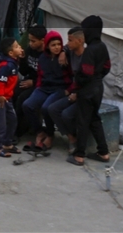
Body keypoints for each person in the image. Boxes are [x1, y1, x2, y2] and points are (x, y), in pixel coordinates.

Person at [68, 15, 111, 166]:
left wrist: (76, 87)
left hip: (87, 90)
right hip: (99, 87)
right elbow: (107, 67)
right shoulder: (103, 47)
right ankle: (103, 152)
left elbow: (86, 74)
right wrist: (98, 78)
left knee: (83, 122)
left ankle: (79, 155)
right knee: (94, 119)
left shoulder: (89, 51)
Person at [21, 30, 68, 153]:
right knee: (27, 105)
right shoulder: (43, 58)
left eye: (59, 44)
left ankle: (50, 135)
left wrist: (70, 89)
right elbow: (41, 75)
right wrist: (38, 87)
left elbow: (71, 75)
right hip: (43, 88)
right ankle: (39, 132)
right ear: (47, 46)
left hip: (59, 88)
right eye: (53, 45)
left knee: (46, 108)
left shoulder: (64, 57)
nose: (57, 47)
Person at [49, 27, 85, 153]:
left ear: (80, 41)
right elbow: (65, 47)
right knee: (52, 109)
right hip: (73, 91)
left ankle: (78, 142)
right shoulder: (70, 52)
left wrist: (76, 93)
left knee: (66, 114)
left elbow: (90, 81)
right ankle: (71, 138)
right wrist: (64, 51)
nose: (67, 43)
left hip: (84, 94)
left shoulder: (87, 58)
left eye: (70, 40)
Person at [0, 37, 22, 158]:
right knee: (1, 123)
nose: (21, 48)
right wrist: (0, 95)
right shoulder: (6, 65)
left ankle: (7, 143)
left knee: (12, 120)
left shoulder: (13, 62)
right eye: (17, 47)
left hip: (7, 98)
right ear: (11, 53)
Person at [14, 25, 47, 140]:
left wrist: (33, 82)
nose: (30, 43)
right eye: (29, 40)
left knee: (22, 99)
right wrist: (22, 60)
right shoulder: (30, 50)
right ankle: (16, 125)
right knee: (13, 93)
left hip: (41, 84)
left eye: (33, 41)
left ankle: (18, 131)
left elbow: (49, 76)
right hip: (30, 79)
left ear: (42, 41)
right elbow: (24, 71)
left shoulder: (48, 54)